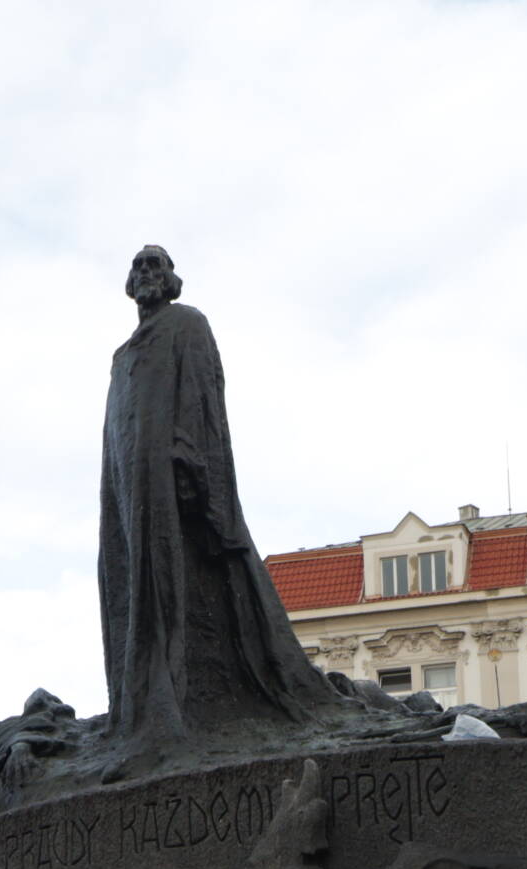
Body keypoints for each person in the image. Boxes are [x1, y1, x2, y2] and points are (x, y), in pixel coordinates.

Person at [97, 244, 347, 752]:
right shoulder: (121, 356)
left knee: (170, 581)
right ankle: (137, 706)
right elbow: (113, 435)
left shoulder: (187, 324)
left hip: (168, 476)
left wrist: (189, 457)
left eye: (156, 265)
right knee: (129, 581)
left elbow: (202, 394)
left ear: (171, 280)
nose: (146, 273)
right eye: (138, 266)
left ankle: (169, 707)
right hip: (127, 488)